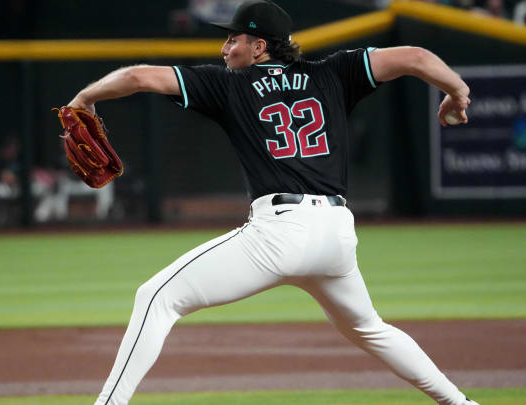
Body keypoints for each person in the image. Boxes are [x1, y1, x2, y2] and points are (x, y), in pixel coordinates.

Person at [66, 1, 475, 404]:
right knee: (370, 328)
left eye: (232, 39)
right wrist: (455, 90)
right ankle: (460, 403)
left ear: (259, 47)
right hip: (335, 235)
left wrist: (85, 97)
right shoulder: (334, 72)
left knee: (155, 298)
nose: (225, 49)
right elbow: (416, 56)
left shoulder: (230, 84)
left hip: (280, 232)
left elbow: (138, 75)